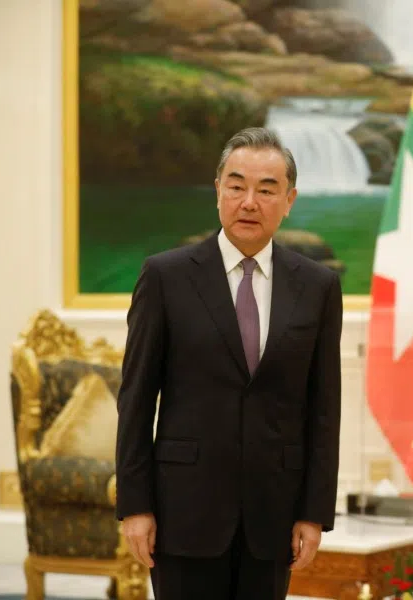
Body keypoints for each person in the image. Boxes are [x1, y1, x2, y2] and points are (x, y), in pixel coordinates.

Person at [115, 127, 343, 600]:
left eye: (267, 190)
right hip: (183, 512)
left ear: (289, 200)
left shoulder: (318, 287)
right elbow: (135, 400)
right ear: (218, 190)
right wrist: (135, 505)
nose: (249, 202)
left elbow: (325, 408)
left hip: (274, 516)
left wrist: (314, 512)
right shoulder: (165, 277)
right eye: (237, 186)